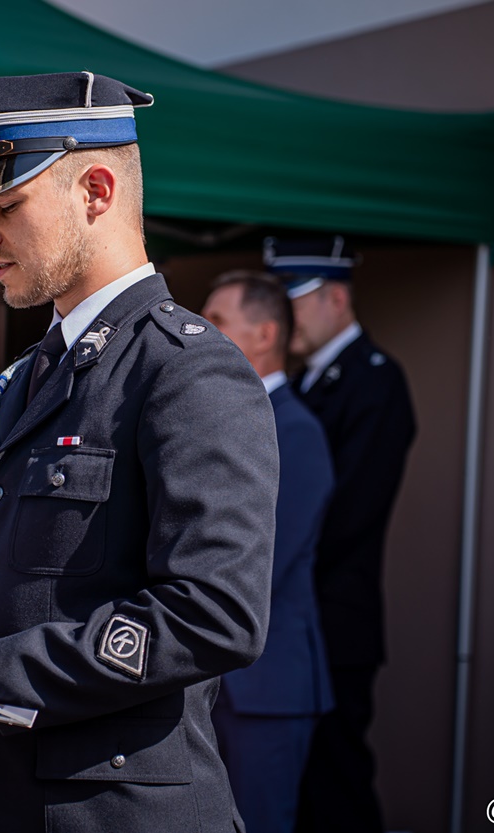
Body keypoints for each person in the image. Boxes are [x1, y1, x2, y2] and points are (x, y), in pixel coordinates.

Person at [0, 71, 280, 833]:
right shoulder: (34, 372)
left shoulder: (187, 369)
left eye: (6, 207)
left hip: (116, 812)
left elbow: (217, 612)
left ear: (96, 191)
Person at [264, 236, 416, 833]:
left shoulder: (375, 382)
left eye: (295, 301)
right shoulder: (308, 384)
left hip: (333, 620)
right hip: (300, 622)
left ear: (336, 298)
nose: (286, 319)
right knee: (299, 790)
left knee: (336, 785)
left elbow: (346, 514)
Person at [201, 270, 335, 833]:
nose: (201, 330)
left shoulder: (297, 431)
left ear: (265, 334)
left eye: (217, 320)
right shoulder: (213, 419)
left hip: (265, 687)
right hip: (208, 680)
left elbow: (264, 562)